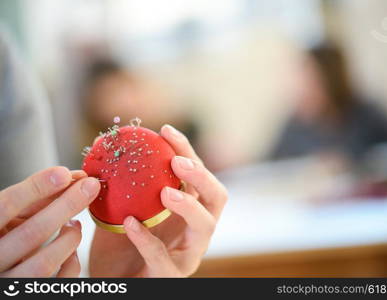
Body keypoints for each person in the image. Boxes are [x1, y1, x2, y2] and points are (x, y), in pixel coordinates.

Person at [0, 29, 227, 277]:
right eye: (109, 97)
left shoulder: (7, 70)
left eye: (124, 90)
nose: (124, 102)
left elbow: (34, 254)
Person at [269, 43, 387, 162]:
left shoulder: (365, 113)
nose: (302, 89)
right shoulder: (296, 122)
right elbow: (271, 162)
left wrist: (354, 161)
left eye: (311, 81)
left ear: (331, 81)